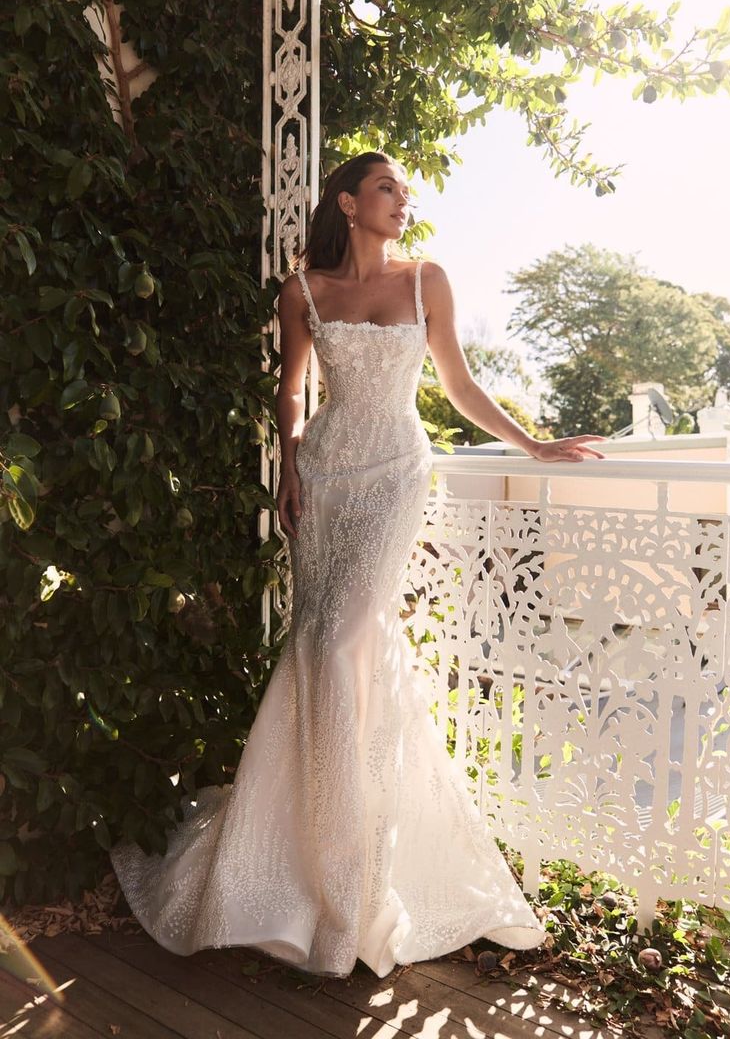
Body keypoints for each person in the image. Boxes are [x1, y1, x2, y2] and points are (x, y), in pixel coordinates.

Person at [110, 150, 606, 980]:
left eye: (404, 191)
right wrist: (291, 464)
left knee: (342, 643)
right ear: (347, 202)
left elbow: (457, 383)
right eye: (387, 188)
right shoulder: (302, 293)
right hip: (328, 479)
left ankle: (359, 871)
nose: (401, 201)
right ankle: (305, 859)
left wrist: (534, 443)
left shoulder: (427, 280)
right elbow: (292, 394)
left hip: (395, 477)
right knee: (324, 651)